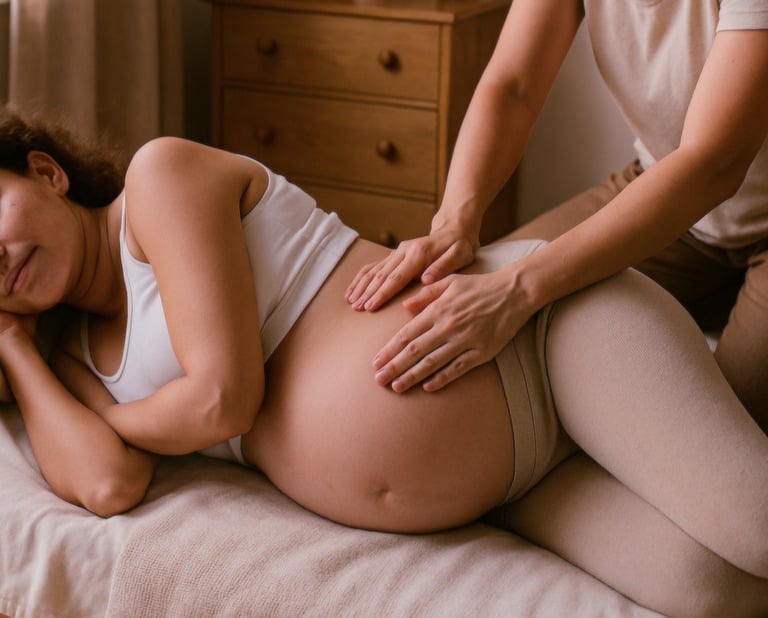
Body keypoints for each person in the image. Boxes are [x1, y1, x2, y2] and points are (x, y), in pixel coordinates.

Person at [0, 107, 765, 617]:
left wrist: (115, 418)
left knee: (756, 529)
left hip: (544, 341)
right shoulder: (71, 357)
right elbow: (107, 482)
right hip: (513, 488)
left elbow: (222, 399)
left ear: (46, 172)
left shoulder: (158, 180)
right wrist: (16, 348)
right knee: (717, 593)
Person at [344, 1, 768, 431]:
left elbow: (715, 164)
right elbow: (513, 86)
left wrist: (519, 287)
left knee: (718, 432)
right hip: (665, 190)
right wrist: (454, 220)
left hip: (735, 203)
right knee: (468, 309)